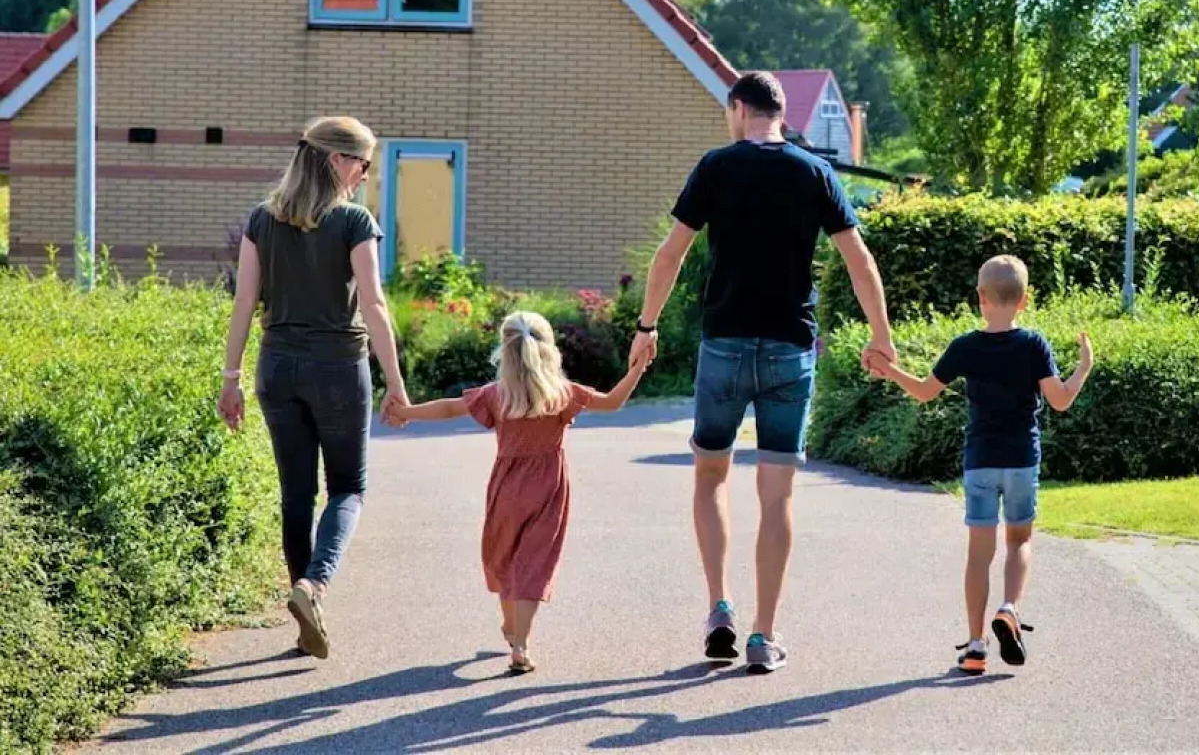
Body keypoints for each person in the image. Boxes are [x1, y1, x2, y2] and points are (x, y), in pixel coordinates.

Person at [628, 70, 896, 674]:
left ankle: (719, 606)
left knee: (711, 476)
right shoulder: (814, 172)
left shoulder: (716, 167)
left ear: (739, 109)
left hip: (723, 346)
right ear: (780, 112)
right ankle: (761, 635)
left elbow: (669, 254)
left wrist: (646, 330)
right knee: (776, 497)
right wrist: (882, 338)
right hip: (788, 350)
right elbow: (859, 259)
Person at [218, 115, 411, 661]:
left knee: (296, 493)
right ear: (334, 161)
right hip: (337, 369)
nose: (365, 174)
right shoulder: (352, 220)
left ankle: (305, 620)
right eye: (361, 163)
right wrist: (397, 386)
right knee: (348, 487)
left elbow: (243, 304)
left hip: (275, 369)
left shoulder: (261, 220)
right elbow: (373, 306)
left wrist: (230, 381)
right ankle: (313, 586)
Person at [389, 311, 648, 673]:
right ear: (549, 350)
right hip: (548, 488)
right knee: (533, 563)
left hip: (507, 487)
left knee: (506, 557)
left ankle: (512, 628)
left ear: (505, 353)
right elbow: (613, 402)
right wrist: (636, 369)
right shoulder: (562, 394)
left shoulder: (496, 395)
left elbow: (449, 407)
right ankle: (521, 646)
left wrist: (406, 411)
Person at [870, 254, 1093, 674]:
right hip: (1022, 461)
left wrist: (889, 368)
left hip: (980, 463)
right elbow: (1060, 400)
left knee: (978, 556)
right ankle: (1009, 609)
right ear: (1024, 300)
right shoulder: (1034, 344)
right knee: (1020, 542)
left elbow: (923, 392)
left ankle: (975, 647)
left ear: (980, 298)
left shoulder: (964, 346)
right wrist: (1083, 368)